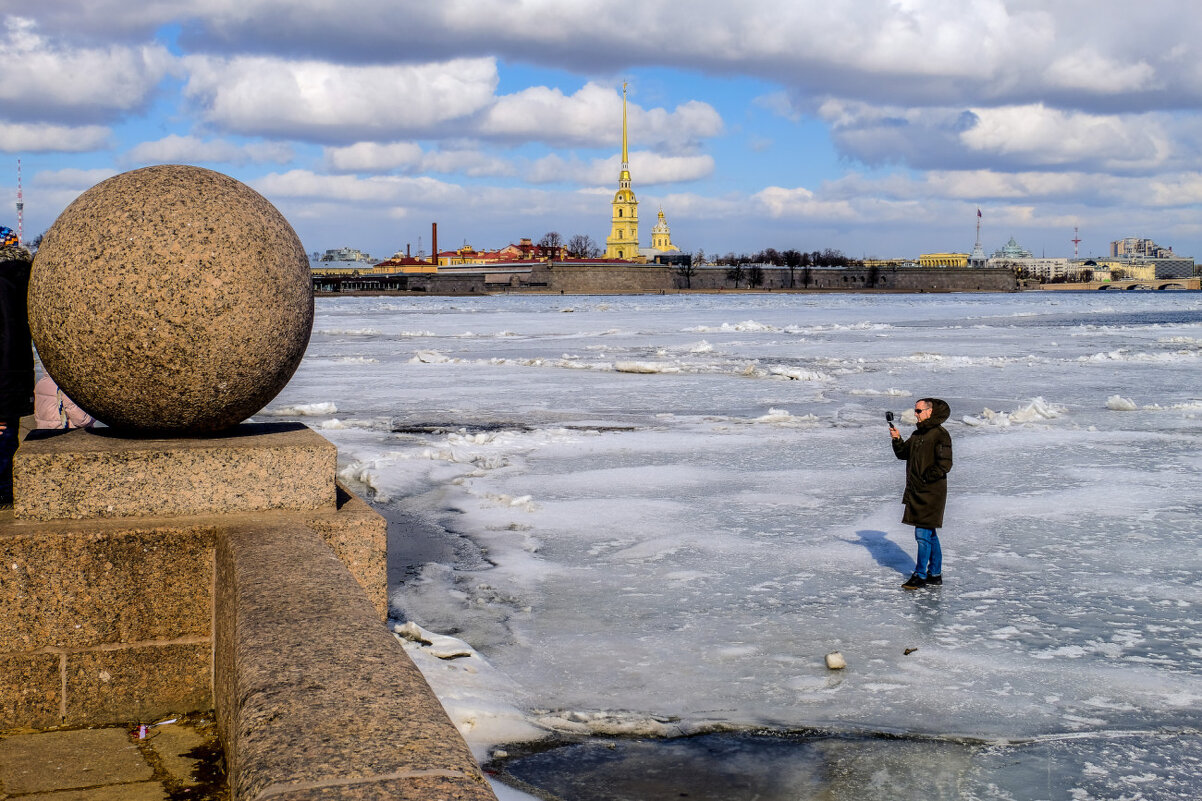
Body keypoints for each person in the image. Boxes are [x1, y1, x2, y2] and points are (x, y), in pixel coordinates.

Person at [889, 397, 953, 590]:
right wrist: (896, 438)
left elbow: (945, 464)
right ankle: (935, 574)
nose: (915, 414)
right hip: (917, 491)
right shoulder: (918, 435)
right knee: (929, 534)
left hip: (931, 493)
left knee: (922, 534)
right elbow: (903, 454)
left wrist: (926, 478)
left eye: (918, 411)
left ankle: (920, 575)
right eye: (915, 410)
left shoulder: (940, 435)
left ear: (929, 412)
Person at [0, 225, 34, 505]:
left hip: (2, 371)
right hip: (18, 373)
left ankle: (3, 491)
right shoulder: (28, 278)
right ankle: (8, 489)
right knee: (8, 429)